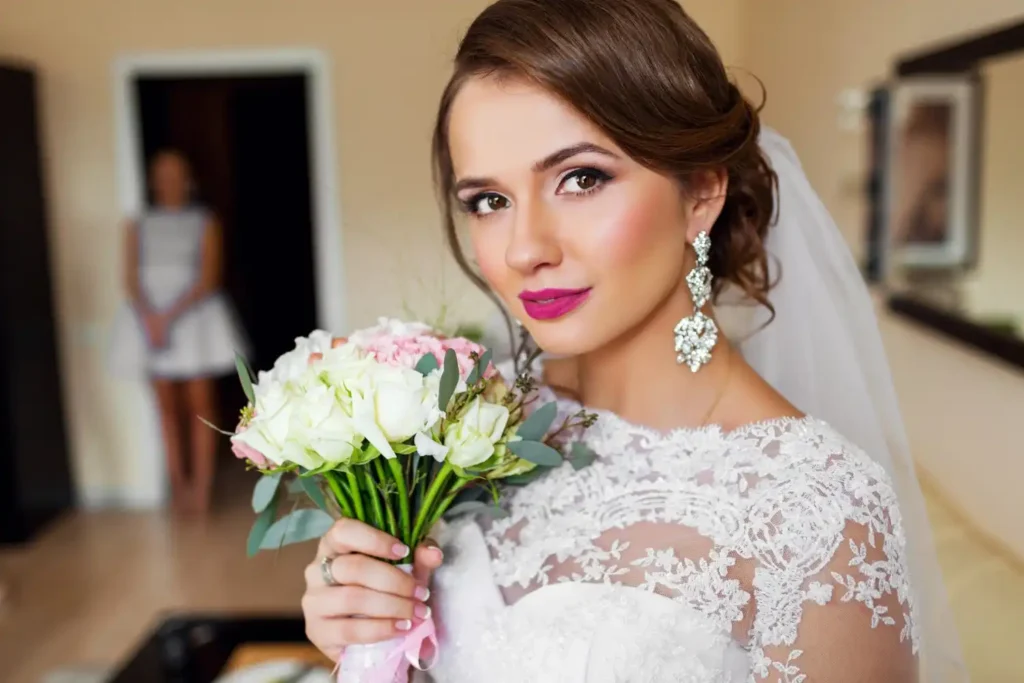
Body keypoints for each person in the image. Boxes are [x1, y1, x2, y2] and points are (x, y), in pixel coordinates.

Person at [301, 1, 967, 680]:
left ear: (701, 192)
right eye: (489, 201)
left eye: (581, 179)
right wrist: (365, 636)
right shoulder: (472, 423)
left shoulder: (818, 512)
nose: (525, 249)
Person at [108, 149, 249, 515]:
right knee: (166, 410)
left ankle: (202, 490)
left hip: (194, 321)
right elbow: (129, 277)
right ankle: (178, 487)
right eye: (161, 175)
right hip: (148, 322)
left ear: (188, 180)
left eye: (175, 174)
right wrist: (151, 319)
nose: (168, 182)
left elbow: (209, 276)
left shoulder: (205, 221)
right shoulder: (137, 224)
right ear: (152, 181)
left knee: (201, 407)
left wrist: (169, 317)